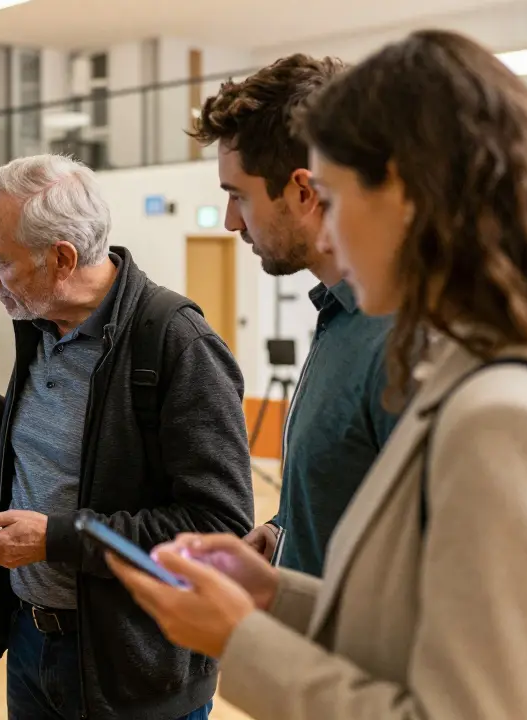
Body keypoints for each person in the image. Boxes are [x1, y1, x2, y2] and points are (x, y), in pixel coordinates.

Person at [109, 29, 527, 719]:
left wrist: (239, 640)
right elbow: (414, 621)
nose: (333, 234)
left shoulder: (500, 411)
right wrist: (273, 595)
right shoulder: (470, 369)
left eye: (338, 200)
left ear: (403, 196)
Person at [0, 154, 254, 719]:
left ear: (61, 258)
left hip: (134, 672)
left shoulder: (178, 344)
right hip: (33, 648)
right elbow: (27, 435)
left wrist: (55, 538)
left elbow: (216, 524)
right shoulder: (42, 326)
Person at [191, 55, 400, 574]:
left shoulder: (399, 340)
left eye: (238, 195)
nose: (229, 220)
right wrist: (285, 533)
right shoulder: (339, 314)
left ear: (304, 191)